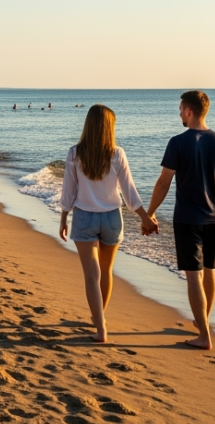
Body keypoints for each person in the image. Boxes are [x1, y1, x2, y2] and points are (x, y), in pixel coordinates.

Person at [144, 91, 215, 350]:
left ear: (189, 111)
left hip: (188, 219)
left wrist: (150, 213)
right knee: (210, 271)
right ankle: (203, 323)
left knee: (193, 277)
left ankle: (204, 336)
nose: (179, 113)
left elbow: (163, 182)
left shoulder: (178, 142)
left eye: (180, 109)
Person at [58, 105, 158, 343]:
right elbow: (129, 193)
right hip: (112, 218)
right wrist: (145, 217)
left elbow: (68, 191)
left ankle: (100, 326)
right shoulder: (117, 154)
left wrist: (63, 217)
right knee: (106, 271)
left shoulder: (75, 153)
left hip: (84, 217)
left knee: (91, 275)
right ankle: (99, 317)